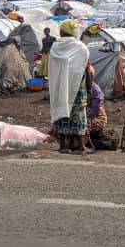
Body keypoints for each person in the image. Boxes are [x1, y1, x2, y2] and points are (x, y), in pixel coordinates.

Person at [49, 20, 93, 154]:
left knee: (61, 112)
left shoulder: (55, 47)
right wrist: (90, 89)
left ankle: (63, 146)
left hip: (59, 86)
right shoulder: (81, 48)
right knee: (78, 114)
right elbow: (86, 69)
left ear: (62, 31)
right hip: (77, 87)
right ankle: (80, 147)